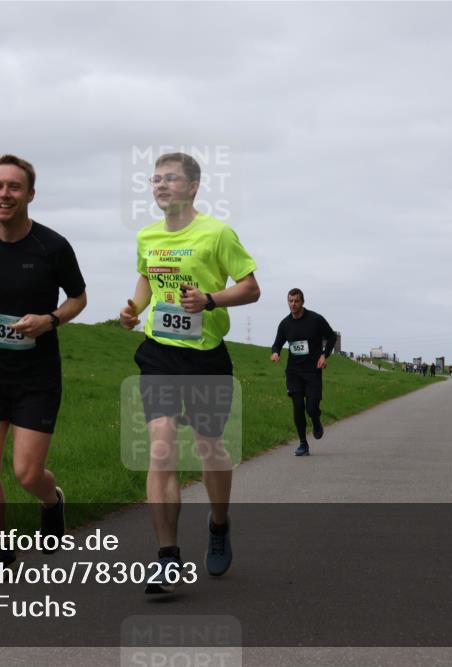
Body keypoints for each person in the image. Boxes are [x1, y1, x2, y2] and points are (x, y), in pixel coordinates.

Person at [119, 151, 260, 594]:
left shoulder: (217, 233)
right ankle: (167, 557)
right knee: (161, 448)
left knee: (209, 448)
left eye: (171, 179)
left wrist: (210, 300)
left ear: (194, 186)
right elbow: (147, 278)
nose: (161, 186)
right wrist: (134, 308)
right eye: (155, 179)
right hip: (158, 354)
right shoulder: (147, 236)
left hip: (205, 356)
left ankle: (219, 522)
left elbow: (251, 287)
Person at [0, 154, 87, 570]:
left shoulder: (52, 246)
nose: (4, 194)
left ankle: (52, 500)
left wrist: (50, 320)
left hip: (37, 374)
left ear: (30, 194)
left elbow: (78, 298)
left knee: (27, 473)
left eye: (13, 187)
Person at [270, 289, 337, 456]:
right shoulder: (285, 324)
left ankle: (316, 420)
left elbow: (332, 336)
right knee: (298, 407)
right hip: (294, 372)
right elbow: (277, 343)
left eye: (296, 301)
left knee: (311, 408)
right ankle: (303, 443)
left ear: (302, 302)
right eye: (290, 301)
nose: (293, 304)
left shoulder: (315, 319)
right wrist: (275, 352)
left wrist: (324, 355)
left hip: (313, 371)